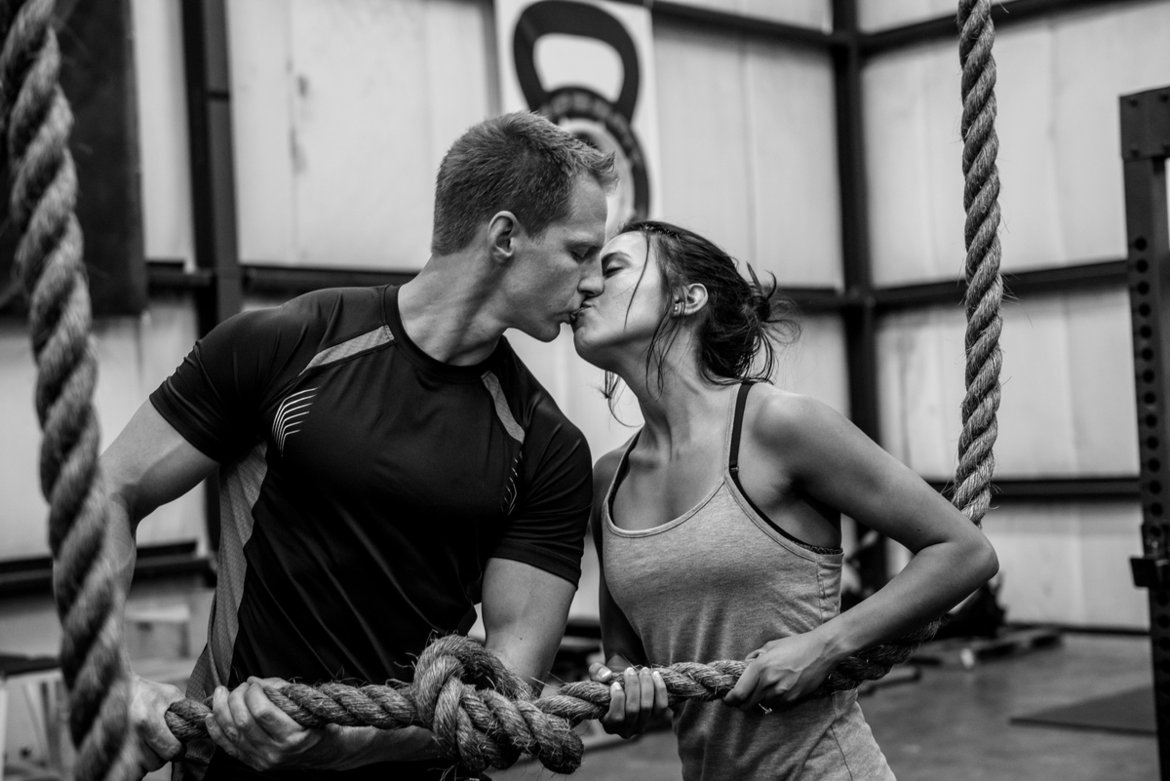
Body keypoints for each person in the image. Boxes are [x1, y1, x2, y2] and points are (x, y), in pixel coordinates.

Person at [102, 111, 616, 779]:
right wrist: (113, 676)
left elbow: (509, 699)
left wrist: (348, 746)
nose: (595, 280)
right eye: (579, 251)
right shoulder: (286, 345)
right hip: (226, 765)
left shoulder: (546, 443)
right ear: (505, 237)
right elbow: (109, 489)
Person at [570, 220, 999, 780]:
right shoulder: (611, 478)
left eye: (612, 268)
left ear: (686, 298)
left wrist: (824, 647)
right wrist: (620, 689)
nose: (584, 287)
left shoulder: (778, 426)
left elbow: (965, 551)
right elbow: (625, 653)